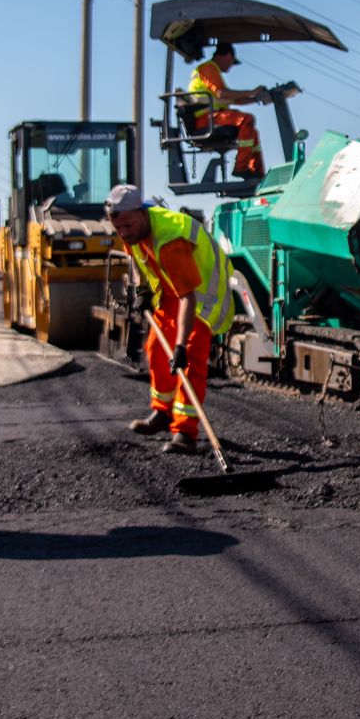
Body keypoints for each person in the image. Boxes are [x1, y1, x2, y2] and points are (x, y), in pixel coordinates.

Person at [105, 185, 234, 453]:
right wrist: (141, 290)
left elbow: (189, 298)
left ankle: (185, 432)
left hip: (202, 293)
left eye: (127, 226)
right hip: (173, 288)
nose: (123, 233)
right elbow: (138, 261)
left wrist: (181, 346)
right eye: (119, 229)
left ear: (142, 214)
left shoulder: (170, 240)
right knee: (155, 346)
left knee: (190, 359)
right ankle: (163, 413)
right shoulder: (130, 231)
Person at [187, 42, 270, 179]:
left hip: (215, 116)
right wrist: (251, 92)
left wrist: (257, 98)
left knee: (252, 133)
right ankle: (241, 167)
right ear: (228, 55)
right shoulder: (208, 68)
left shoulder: (214, 73)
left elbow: (233, 99)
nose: (231, 66)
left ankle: (257, 172)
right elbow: (222, 94)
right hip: (206, 118)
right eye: (232, 62)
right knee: (246, 119)